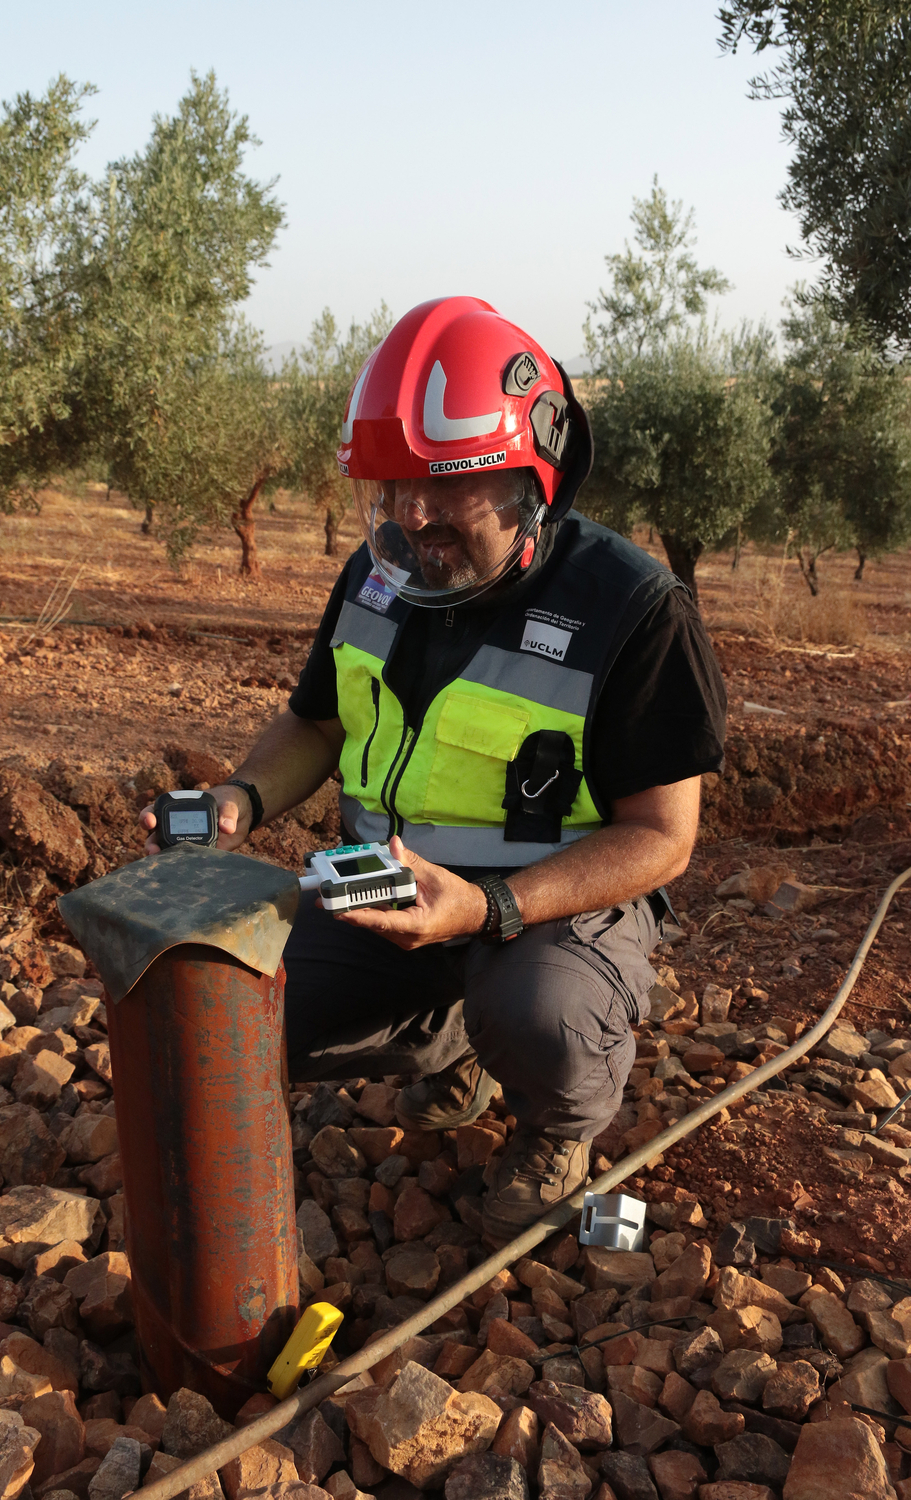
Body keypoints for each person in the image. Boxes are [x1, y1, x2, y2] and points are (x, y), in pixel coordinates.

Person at [141, 296, 726, 1245]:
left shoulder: (631, 606)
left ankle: (554, 1124)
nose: (413, 518)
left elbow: (663, 837)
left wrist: (488, 908)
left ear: (529, 474)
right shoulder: (378, 575)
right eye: (390, 488)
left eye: (444, 488)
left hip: (549, 912)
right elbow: (315, 723)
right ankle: (450, 1038)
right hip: (387, 891)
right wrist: (242, 798)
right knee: (237, 1013)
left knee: (539, 1014)